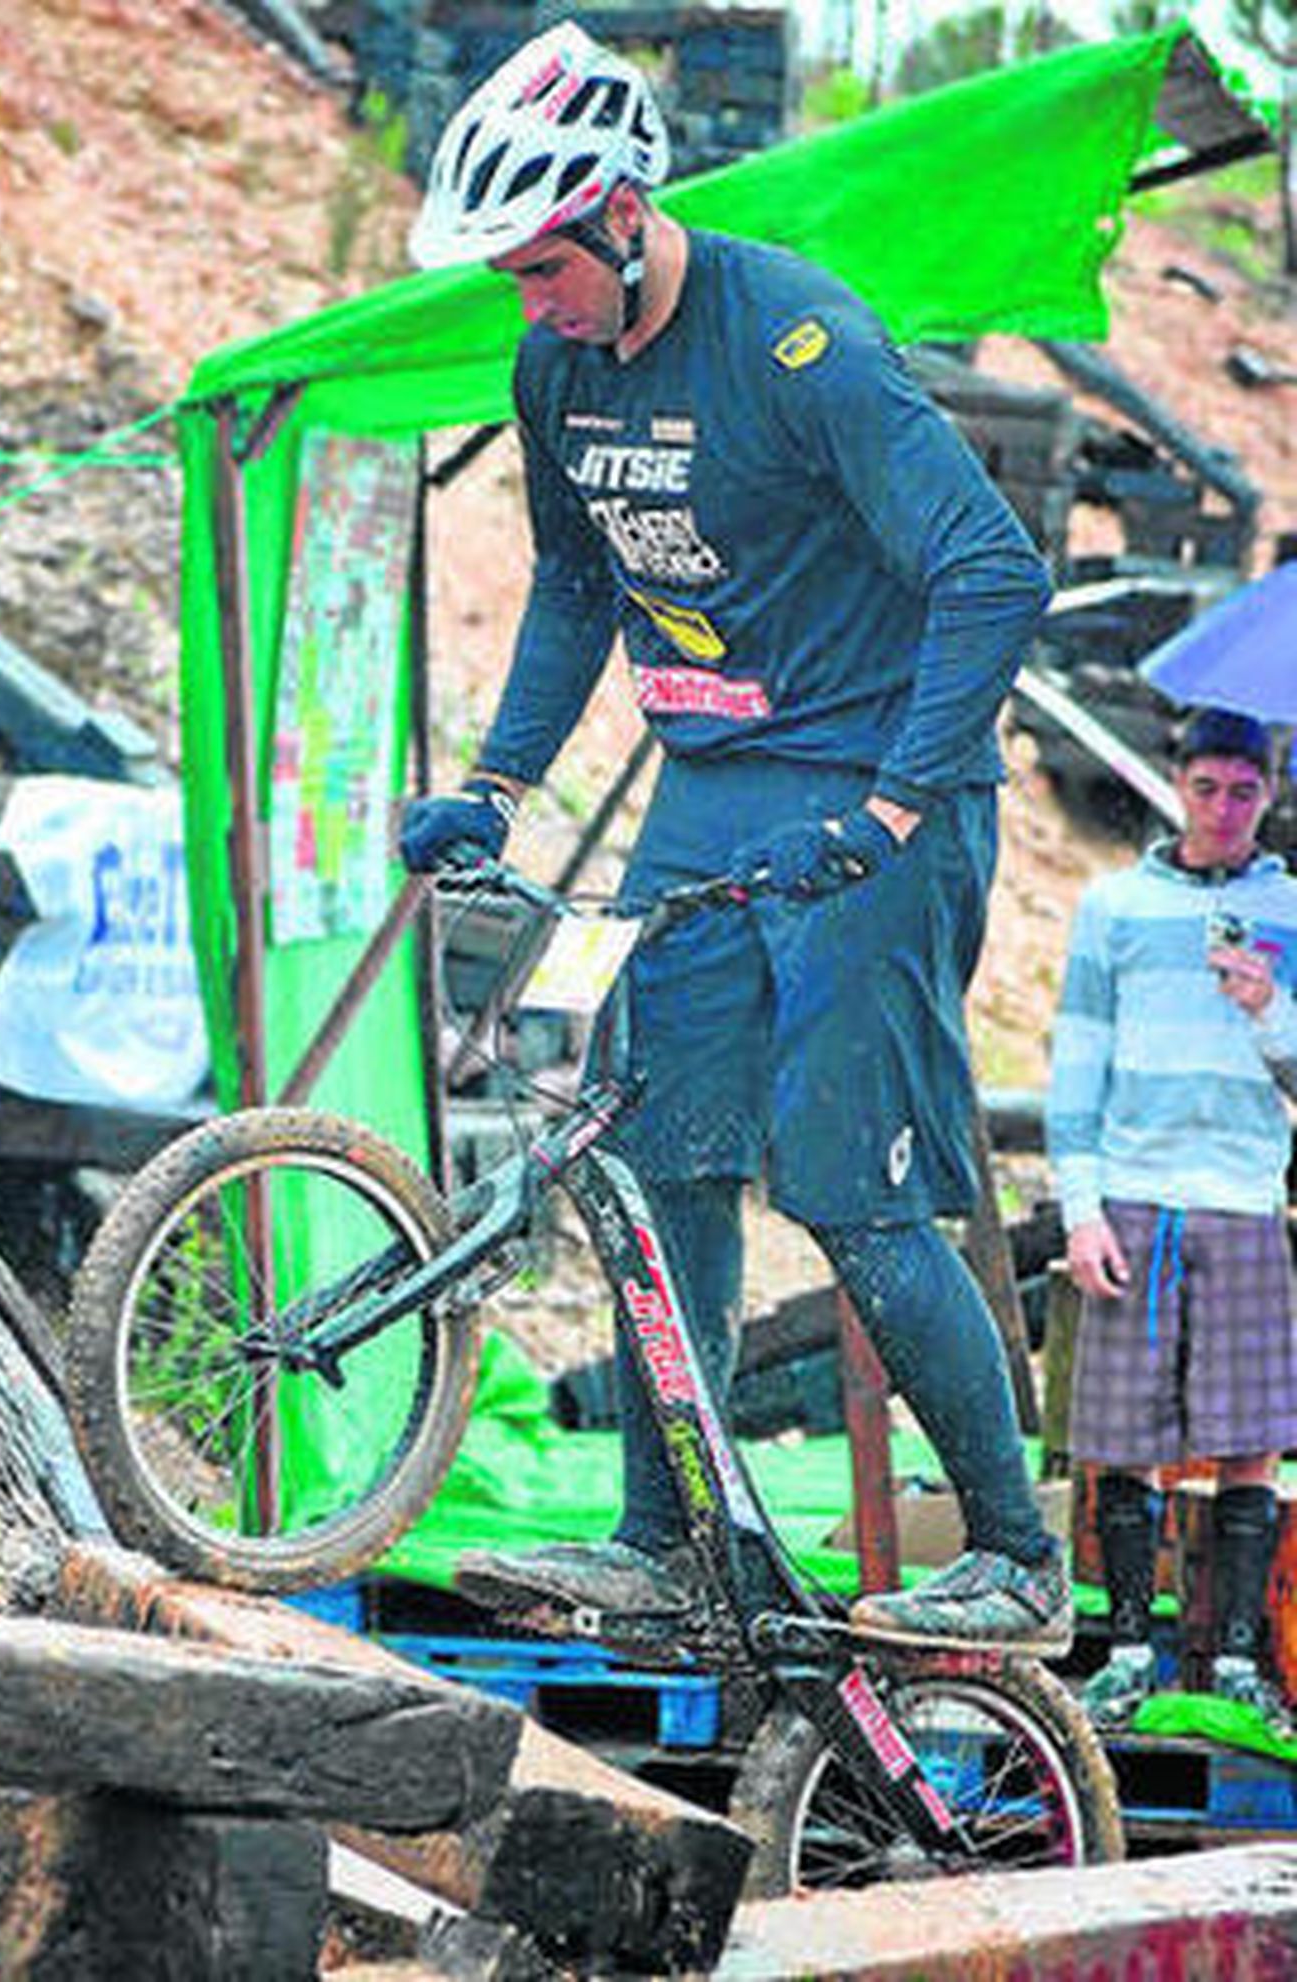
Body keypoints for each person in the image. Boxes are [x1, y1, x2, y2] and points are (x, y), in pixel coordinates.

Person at [398, 20, 1070, 1653]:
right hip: (707, 779)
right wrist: (494, 782)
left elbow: (993, 572)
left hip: (872, 794)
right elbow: (575, 587)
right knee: (653, 1153)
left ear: (625, 215)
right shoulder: (557, 363)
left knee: (853, 1186)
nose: (530, 301)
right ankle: (669, 1537)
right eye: (507, 278)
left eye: (545, 265)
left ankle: (1013, 1550)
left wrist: (905, 797)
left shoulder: (803, 342)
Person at [1048, 705, 1297, 1732]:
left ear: (1270, 794)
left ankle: (1236, 1658)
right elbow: (1075, 1062)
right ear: (1175, 784)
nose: (1225, 809)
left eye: (1244, 791)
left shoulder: (1289, 909)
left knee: (1250, 1438)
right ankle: (1126, 1648)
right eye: (1207, 788)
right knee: (1121, 1433)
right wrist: (1079, 1209)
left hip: (1241, 1193)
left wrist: (1267, 1007)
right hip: (1133, 1197)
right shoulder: (1112, 906)